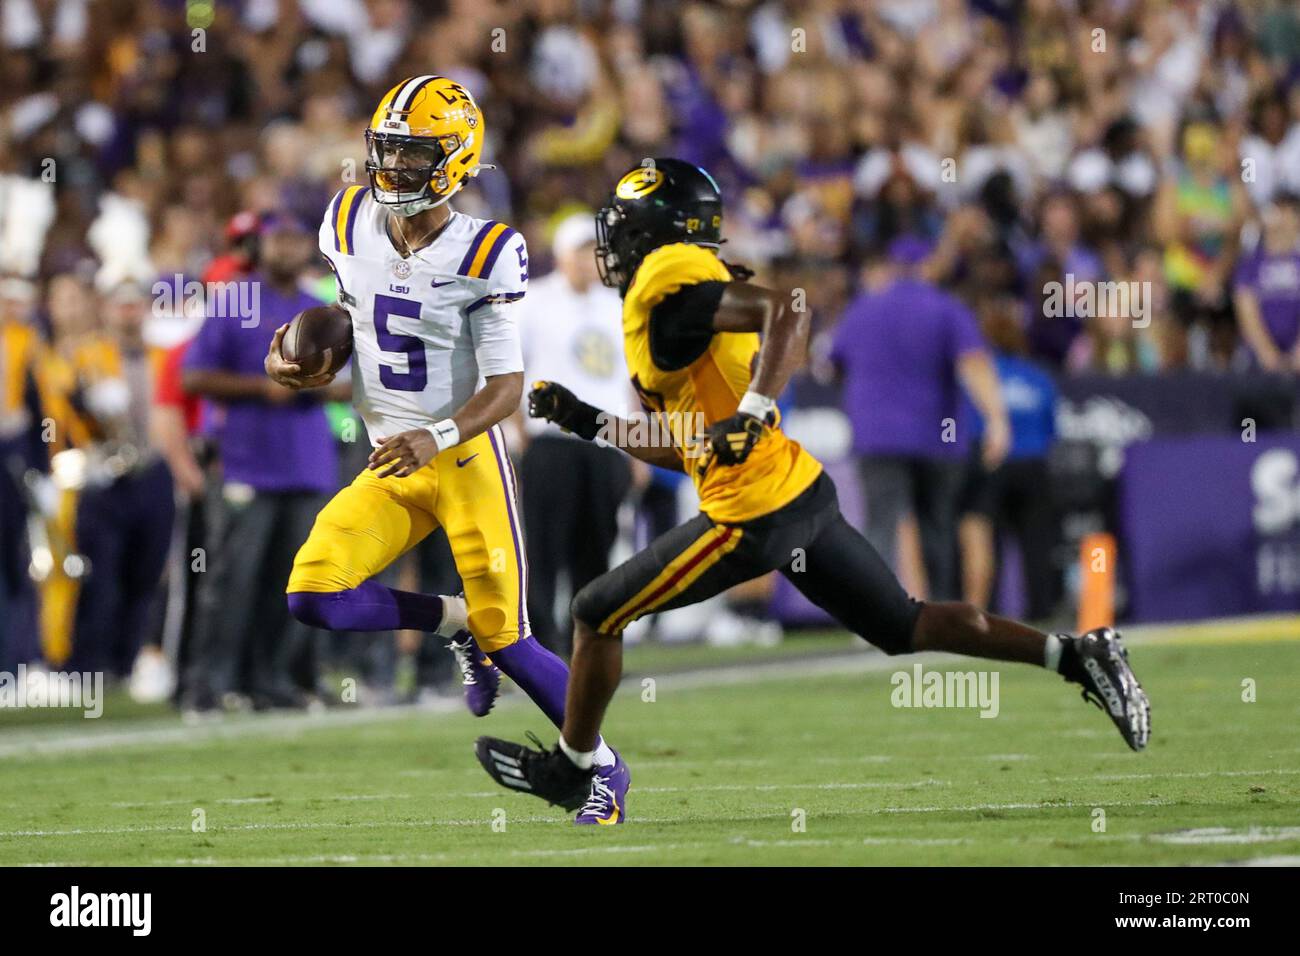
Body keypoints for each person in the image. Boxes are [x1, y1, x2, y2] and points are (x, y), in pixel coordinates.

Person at [475, 159, 1152, 823]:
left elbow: (784, 314)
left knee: (596, 612)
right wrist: (594, 424)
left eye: (625, 229)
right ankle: (1077, 655)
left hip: (753, 514)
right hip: (795, 491)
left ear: (662, 232)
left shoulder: (669, 286)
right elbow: (693, 446)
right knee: (905, 624)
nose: (613, 246)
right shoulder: (671, 312)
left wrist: (756, 408)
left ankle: (576, 764)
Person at [266, 76, 625, 823]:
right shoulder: (344, 219)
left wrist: (430, 435)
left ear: (455, 160)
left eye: (411, 155)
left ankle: (602, 770)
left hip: (460, 457)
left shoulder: (489, 249)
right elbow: (352, 314)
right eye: (386, 152)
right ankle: (448, 621)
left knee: (514, 636)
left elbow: (506, 384)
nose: (391, 170)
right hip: (385, 457)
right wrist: (291, 361)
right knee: (312, 595)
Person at [181, 212, 342, 712]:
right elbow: (193, 378)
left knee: (294, 581)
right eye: (281, 238)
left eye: (299, 239)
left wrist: (309, 383)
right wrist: (261, 386)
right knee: (231, 578)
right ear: (262, 244)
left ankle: (270, 680)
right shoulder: (234, 298)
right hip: (247, 461)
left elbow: (350, 382)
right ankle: (208, 684)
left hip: (307, 459)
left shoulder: (322, 310)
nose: (291, 248)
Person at [831, 235, 1010, 601]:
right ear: (927, 266)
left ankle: (874, 614)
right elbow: (973, 363)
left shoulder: (864, 309)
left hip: (876, 435)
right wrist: (996, 420)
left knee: (879, 526)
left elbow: (833, 362)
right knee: (937, 529)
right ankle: (941, 613)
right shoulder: (945, 308)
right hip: (936, 437)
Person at [516, 212, 631, 656]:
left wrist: (636, 447)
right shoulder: (533, 301)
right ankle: (541, 648)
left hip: (605, 443)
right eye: (581, 251)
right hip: (551, 441)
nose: (589, 260)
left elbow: (628, 382)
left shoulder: (616, 304)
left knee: (596, 550)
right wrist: (517, 432)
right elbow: (510, 370)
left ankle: (587, 643)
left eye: (594, 251)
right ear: (562, 255)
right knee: (544, 551)